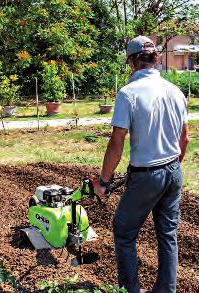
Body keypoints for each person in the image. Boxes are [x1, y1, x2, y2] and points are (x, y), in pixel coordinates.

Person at [93, 36, 189, 293]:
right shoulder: (176, 92)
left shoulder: (128, 94)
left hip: (147, 174)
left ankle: (130, 290)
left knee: (124, 232)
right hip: (173, 170)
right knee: (168, 235)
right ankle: (166, 290)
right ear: (156, 59)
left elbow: (116, 143)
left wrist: (103, 182)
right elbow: (185, 139)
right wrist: (171, 170)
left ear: (131, 61)